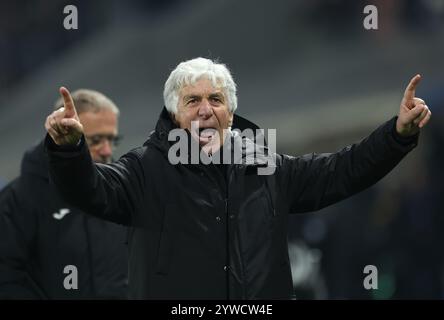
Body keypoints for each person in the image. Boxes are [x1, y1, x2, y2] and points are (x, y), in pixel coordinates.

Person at [43, 57, 431, 299]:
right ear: (174, 115)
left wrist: (397, 135)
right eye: (192, 101)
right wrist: (67, 150)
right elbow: (90, 190)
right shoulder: (145, 168)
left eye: (216, 99)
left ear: (231, 112)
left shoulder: (268, 168)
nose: (205, 109)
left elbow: (343, 171)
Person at [0, 89, 128, 299]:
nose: (107, 151)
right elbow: (6, 279)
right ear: (62, 132)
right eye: (95, 140)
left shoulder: (119, 193)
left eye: (112, 140)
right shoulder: (17, 201)